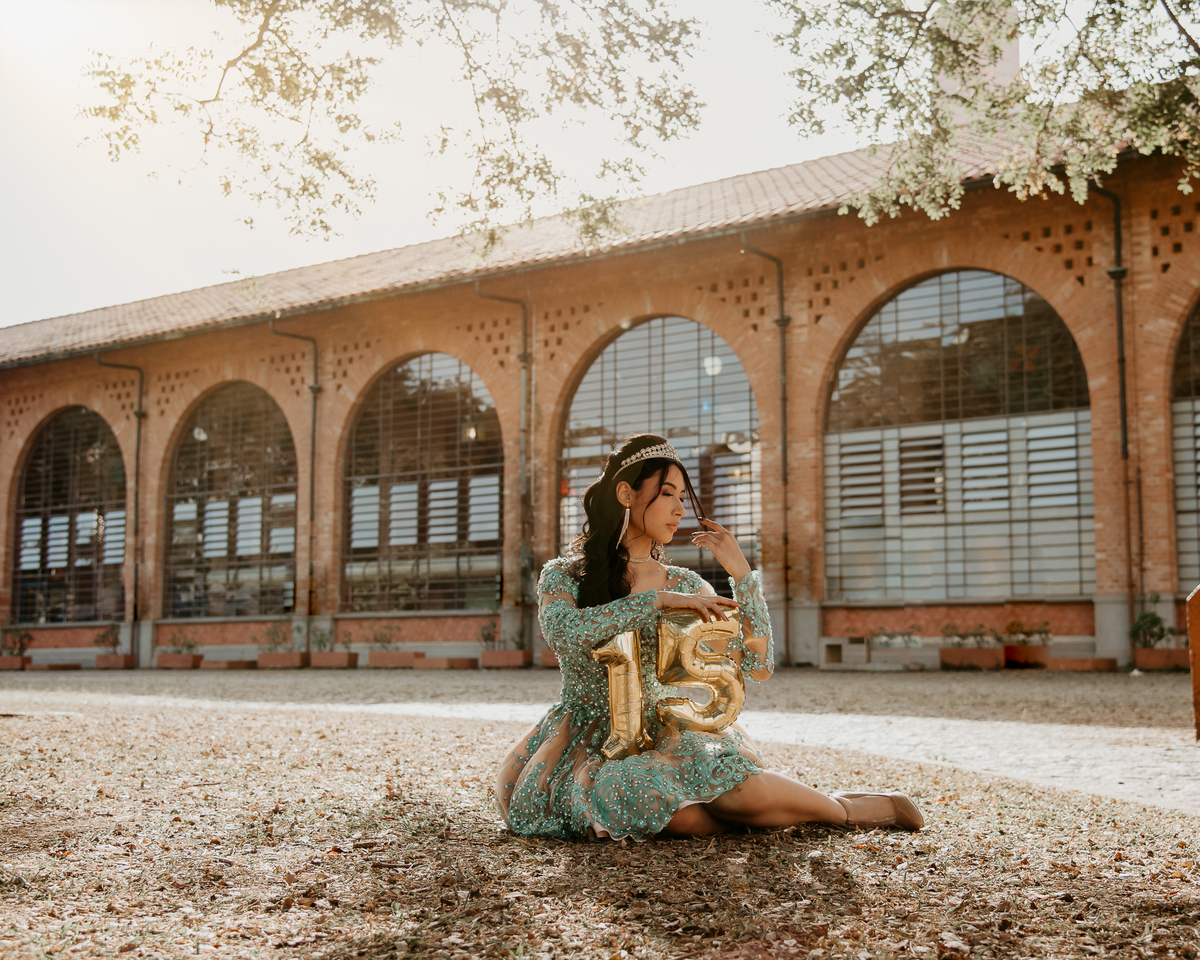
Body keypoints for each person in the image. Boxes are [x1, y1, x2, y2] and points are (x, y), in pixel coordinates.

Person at [495, 433, 923, 840]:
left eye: (682, 497)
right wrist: (656, 602)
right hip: (590, 736)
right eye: (667, 494)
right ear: (626, 494)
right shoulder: (565, 575)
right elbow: (563, 632)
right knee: (657, 805)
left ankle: (850, 809)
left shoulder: (685, 583)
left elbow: (758, 665)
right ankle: (748, 815)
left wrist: (742, 575)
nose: (680, 509)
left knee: (739, 792)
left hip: (669, 732)